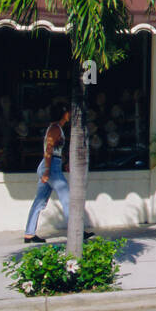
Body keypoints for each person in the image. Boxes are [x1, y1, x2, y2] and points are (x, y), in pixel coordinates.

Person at [23, 102, 93, 244]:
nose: (69, 114)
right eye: (68, 112)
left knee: (39, 201)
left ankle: (29, 234)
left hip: (51, 165)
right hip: (51, 167)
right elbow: (49, 149)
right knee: (68, 198)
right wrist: (48, 171)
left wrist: (63, 162)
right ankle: (76, 231)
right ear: (63, 114)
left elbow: (55, 151)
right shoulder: (55, 129)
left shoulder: (57, 128)